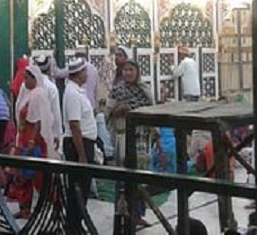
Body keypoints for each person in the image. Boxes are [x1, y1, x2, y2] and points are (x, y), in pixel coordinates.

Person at [104, 59, 155, 228]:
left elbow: (152, 112)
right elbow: (107, 114)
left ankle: (138, 214)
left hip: (141, 139)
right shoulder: (117, 91)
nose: (127, 73)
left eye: (131, 69)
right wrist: (119, 111)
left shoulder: (144, 90)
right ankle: (122, 212)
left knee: (141, 176)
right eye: (125, 70)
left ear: (137, 72)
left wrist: (156, 136)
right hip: (123, 138)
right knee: (124, 176)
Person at [12, 65, 55, 219]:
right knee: (21, 175)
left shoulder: (39, 94)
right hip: (24, 137)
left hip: (33, 139)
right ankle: (24, 207)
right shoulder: (28, 94)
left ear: (34, 78)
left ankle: (47, 204)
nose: (24, 81)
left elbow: (38, 119)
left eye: (27, 78)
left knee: (33, 174)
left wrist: (31, 139)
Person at [62, 57, 98, 227]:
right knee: (78, 189)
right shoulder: (72, 94)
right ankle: (73, 226)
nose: (87, 74)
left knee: (81, 189)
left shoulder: (76, 91)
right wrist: (82, 155)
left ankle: (75, 224)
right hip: (78, 145)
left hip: (83, 143)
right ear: (78, 74)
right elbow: (74, 125)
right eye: (85, 71)